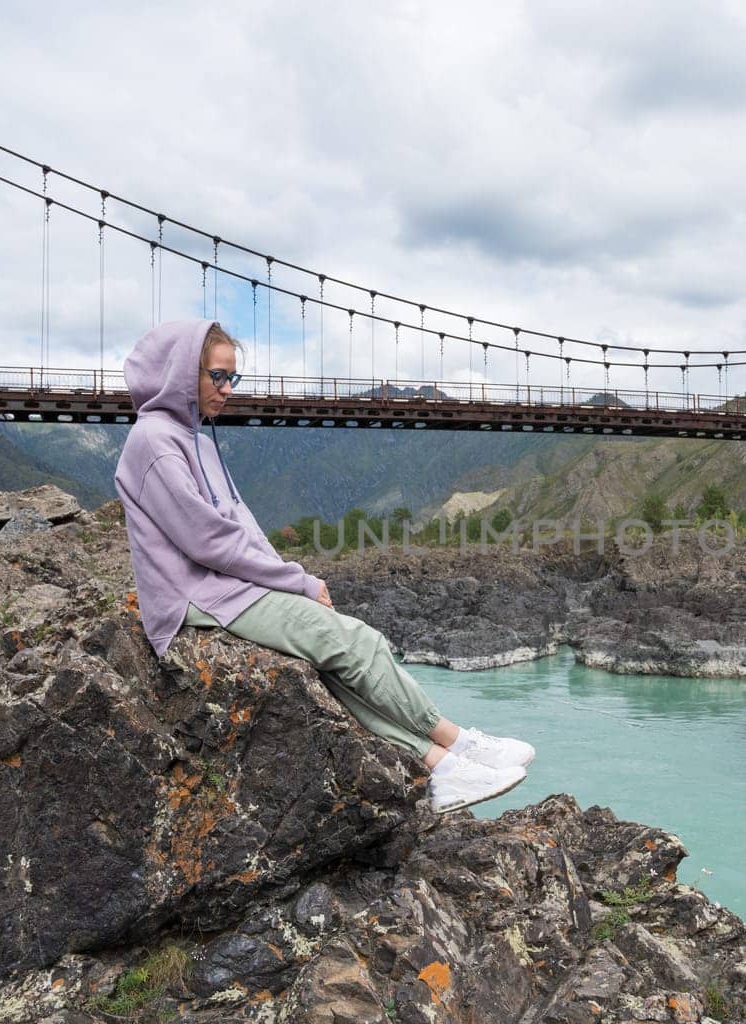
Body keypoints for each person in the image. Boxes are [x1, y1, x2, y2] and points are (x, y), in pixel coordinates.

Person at [112, 318, 533, 814]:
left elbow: (241, 526)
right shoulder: (155, 442)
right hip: (195, 598)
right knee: (355, 643)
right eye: (217, 376)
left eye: (233, 378)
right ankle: (459, 742)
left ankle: (439, 766)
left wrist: (288, 578)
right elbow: (207, 540)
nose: (227, 390)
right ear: (182, 374)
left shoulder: (199, 440)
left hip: (226, 588)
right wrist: (299, 581)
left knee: (332, 669)